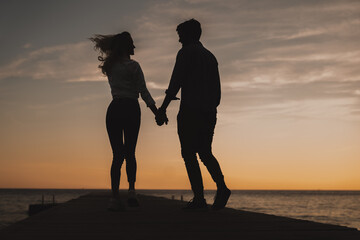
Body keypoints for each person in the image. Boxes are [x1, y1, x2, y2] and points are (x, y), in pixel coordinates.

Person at [156, 19, 231, 210]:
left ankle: (199, 198)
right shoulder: (210, 56)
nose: (179, 40)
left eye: (180, 36)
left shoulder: (186, 53)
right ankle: (221, 187)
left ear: (189, 35)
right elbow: (218, 91)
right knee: (205, 152)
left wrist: (162, 109)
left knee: (189, 154)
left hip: (190, 111)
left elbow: (175, 83)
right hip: (209, 111)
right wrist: (211, 106)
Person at [90, 32, 161, 211]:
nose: (135, 47)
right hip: (130, 109)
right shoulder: (133, 66)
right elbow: (143, 92)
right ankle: (131, 192)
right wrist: (157, 113)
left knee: (117, 155)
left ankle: (114, 198)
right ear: (125, 46)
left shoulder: (111, 67)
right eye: (132, 44)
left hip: (114, 109)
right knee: (130, 153)